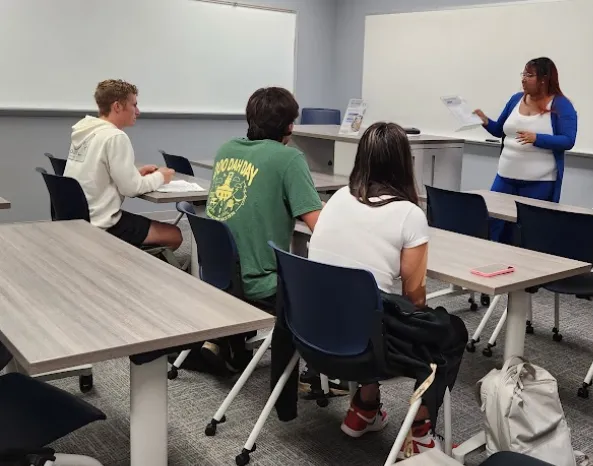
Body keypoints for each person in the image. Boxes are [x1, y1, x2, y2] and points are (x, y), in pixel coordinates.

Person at [307, 122, 468, 458]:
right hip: (365, 346)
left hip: (314, 333)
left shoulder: (336, 198)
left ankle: (365, 407)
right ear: (403, 163)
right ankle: (420, 433)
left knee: (366, 306)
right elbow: (416, 299)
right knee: (449, 331)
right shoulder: (409, 214)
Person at [201, 87, 323, 372]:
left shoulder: (226, 149)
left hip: (221, 274)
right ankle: (317, 376)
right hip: (260, 282)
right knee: (333, 291)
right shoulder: (288, 158)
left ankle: (224, 340)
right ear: (290, 126)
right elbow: (317, 224)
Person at [65, 79, 182, 250]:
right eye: (134, 105)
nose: (138, 111)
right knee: (175, 235)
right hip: (102, 223)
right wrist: (160, 177)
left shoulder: (86, 132)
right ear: (117, 107)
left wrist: (135, 173)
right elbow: (131, 189)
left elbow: (98, 173)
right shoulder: (115, 137)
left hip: (80, 217)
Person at [473, 57, 577, 243]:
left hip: (539, 182)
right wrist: (485, 121)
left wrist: (537, 138)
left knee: (528, 231)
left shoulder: (561, 105)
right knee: (492, 223)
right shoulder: (515, 100)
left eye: (529, 75)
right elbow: (499, 130)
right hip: (505, 177)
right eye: (523, 74)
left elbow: (568, 140)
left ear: (544, 79)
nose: (523, 79)